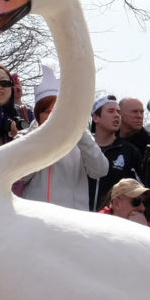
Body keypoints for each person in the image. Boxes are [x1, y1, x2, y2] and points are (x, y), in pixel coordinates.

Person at [18, 66, 110, 209]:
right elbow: (20, 177)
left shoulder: (80, 139)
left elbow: (100, 170)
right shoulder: (24, 137)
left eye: (56, 110)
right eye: (46, 111)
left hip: (69, 221)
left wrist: (78, 130)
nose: (52, 116)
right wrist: (37, 136)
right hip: (34, 219)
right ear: (38, 114)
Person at [89, 96, 144, 210]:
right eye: (110, 111)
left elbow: (140, 189)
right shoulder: (81, 148)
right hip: (78, 217)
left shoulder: (129, 151)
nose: (116, 115)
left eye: (118, 112)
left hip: (111, 221)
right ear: (96, 117)